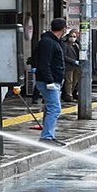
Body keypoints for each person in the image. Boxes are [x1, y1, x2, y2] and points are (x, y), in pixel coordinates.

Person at [35, 18, 67, 146]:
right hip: (48, 81)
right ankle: (47, 137)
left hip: (52, 80)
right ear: (63, 29)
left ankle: (49, 135)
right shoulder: (48, 42)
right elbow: (44, 63)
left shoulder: (52, 41)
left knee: (50, 108)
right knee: (55, 108)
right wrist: (49, 81)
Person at [62, 31, 81, 103]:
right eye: (71, 36)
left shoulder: (77, 45)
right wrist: (74, 61)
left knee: (75, 80)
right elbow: (64, 56)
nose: (72, 38)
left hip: (76, 66)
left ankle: (71, 93)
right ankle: (68, 94)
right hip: (69, 66)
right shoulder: (65, 45)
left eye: (74, 37)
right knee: (69, 80)